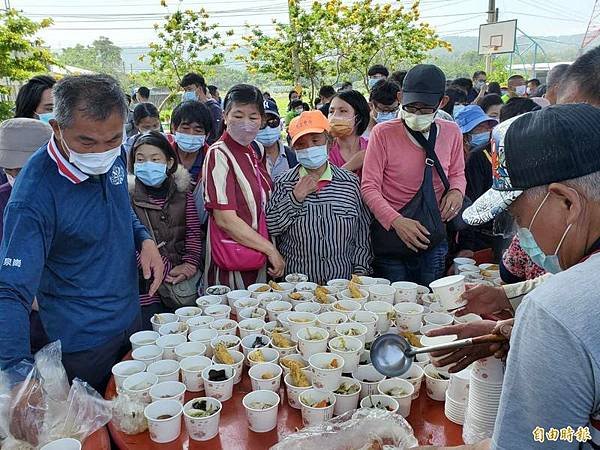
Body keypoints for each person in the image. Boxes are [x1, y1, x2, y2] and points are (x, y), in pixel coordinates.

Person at [424, 104, 600, 450]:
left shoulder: (557, 311)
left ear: (567, 203)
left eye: (519, 218)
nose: (520, 235)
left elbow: (542, 439)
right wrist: (515, 326)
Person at [0, 74, 164, 393]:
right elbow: (10, 291)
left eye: (113, 139)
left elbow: (118, 207)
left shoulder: (112, 155)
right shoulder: (33, 197)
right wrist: (17, 374)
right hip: (84, 344)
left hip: (131, 318)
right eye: (87, 142)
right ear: (57, 128)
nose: (100, 152)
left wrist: (142, 238)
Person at [362, 64, 466, 285]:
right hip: (391, 236)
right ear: (400, 97)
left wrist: (456, 191)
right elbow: (369, 187)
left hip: (433, 235)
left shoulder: (451, 131)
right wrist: (397, 221)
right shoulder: (383, 133)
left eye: (425, 109)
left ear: (442, 102)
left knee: (430, 301)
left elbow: (457, 172)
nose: (417, 114)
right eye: (410, 107)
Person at [266, 110, 372, 283]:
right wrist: (295, 197)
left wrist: (360, 272)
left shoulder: (350, 183)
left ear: (329, 142)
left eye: (315, 141)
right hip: (297, 285)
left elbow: (362, 232)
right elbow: (272, 227)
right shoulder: (283, 183)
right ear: (293, 148)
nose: (309, 148)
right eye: (301, 144)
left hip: (341, 283)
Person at [202, 84, 285, 288]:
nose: (246, 123)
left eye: (253, 117)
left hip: (260, 259)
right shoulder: (219, 154)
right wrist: (270, 250)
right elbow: (225, 219)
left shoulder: (256, 150)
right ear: (225, 115)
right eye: (238, 116)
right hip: (233, 261)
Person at [128, 131, 202, 327]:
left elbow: (193, 232)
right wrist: (163, 268)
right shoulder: (128, 198)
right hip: (146, 288)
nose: (147, 165)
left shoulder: (183, 194)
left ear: (169, 162)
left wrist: (190, 265)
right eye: (140, 160)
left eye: (154, 159)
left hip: (180, 284)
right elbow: (128, 241)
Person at [453, 105, 500, 258]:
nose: (485, 131)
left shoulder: (492, 151)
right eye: (478, 129)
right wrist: (467, 245)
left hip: (492, 233)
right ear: (465, 135)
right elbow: (471, 202)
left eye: (486, 126)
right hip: (477, 236)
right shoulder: (474, 157)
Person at [327, 89, 371, 177]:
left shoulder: (372, 147)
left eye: (343, 111)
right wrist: (349, 166)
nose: (334, 116)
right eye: (331, 112)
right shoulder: (324, 151)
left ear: (358, 118)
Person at [168, 100, 212, 184]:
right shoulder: (163, 155)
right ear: (173, 128)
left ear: (207, 134)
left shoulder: (214, 158)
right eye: (185, 128)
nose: (191, 134)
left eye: (198, 130)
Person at [256, 99, 298, 180]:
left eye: (272, 121)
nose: (267, 128)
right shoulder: (248, 159)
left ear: (280, 124)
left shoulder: (293, 156)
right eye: (261, 124)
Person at [180, 72, 223, 145]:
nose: (186, 93)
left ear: (199, 88)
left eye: (189, 89)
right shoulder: (190, 109)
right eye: (185, 90)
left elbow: (216, 135)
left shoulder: (214, 109)